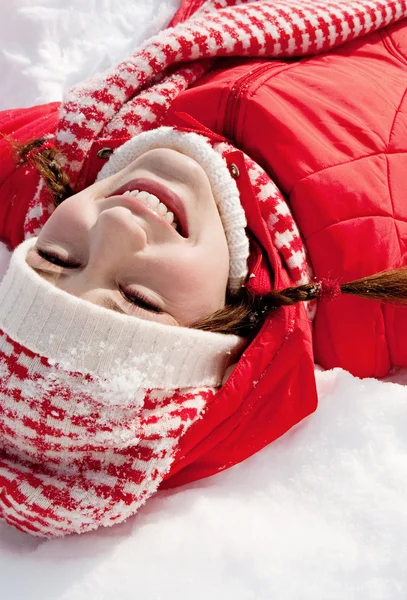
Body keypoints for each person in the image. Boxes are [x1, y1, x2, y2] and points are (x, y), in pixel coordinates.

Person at [1, 0, 407, 537]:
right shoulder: (374, 301)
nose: (116, 227)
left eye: (55, 259)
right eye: (140, 299)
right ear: (227, 336)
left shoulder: (69, 162)